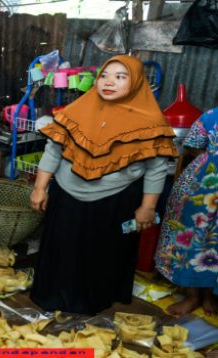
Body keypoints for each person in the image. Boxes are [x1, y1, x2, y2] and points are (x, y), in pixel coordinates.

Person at [29, 55, 178, 315]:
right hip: (67, 193)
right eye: (106, 76)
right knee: (63, 247)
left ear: (136, 84)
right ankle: (54, 296)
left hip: (116, 199)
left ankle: (93, 299)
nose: (110, 82)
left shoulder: (151, 123)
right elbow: (53, 149)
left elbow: (156, 168)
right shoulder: (76, 110)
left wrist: (147, 207)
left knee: (103, 253)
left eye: (121, 77)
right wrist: (40, 187)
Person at [155, 110, 218, 316]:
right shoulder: (211, 115)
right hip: (202, 187)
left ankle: (210, 295)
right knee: (190, 238)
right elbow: (192, 145)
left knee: (214, 244)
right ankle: (192, 296)